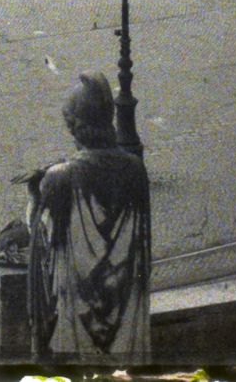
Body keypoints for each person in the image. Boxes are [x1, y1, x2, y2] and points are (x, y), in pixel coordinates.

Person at [24, 73, 150, 365]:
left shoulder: (60, 176)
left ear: (75, 126)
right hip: (123, 303)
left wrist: (34, 194)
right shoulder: (135, 169)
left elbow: (41, 236)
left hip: (76, 304)